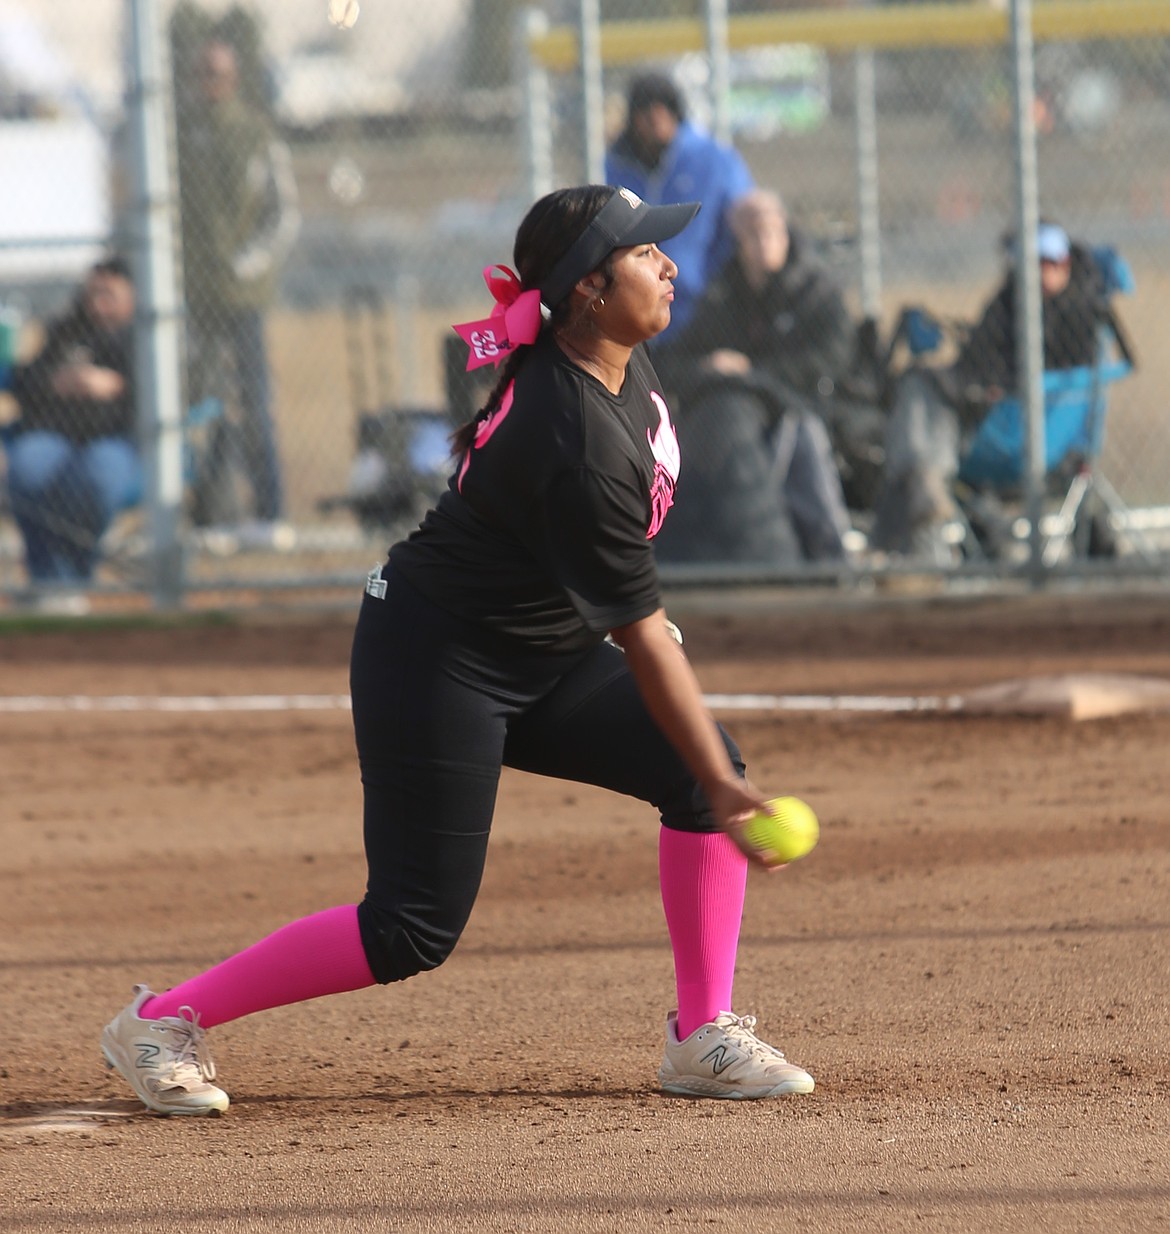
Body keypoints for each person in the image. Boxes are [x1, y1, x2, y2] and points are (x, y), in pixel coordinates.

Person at [99, 184, 816, 1116]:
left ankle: (702, 1034)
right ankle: (160, 1020)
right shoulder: (575, 432)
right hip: (439, 658)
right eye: (645, 253)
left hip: (544, 651)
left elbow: (611, 578)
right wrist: (719, 781)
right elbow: (637, 628)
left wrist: (700, 753)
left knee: (698, 766)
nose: (669, 263)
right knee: (410, 927)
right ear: (590, 290)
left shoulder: (615, 364)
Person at [869, 220, 1108, 562]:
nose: (1044, 273)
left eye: (1053, 263)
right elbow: (976, 359)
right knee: (919, 383)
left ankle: (908, 519)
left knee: (922, 401)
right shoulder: (1007, 303)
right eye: (1035, 264)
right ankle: (923, 493)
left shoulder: (1079, 312)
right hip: (989, 417)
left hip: (1029, 432)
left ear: (1067, 265)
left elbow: (1064, 369)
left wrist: (1000, 386)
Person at [653, 189, 861, 564]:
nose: (763, 241)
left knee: (801, 431)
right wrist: (708, 366)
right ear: (738, 240)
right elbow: (675, 360)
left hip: (807, 406)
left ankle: (833, 555)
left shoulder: (815, 291)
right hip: (740, 417)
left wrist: (753, 374)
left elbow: (832, 359)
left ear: (785, 231)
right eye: (752, 233)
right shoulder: (724, 294)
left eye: (770, 230)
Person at [177, 35, 299, 548]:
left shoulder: (255, 135)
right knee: (204, 405)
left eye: (220, 74)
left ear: (236, 79)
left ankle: (269, 513)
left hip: (242, 297)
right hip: (194, 297)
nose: (212, 84)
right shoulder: (180, 136)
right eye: (204, 72)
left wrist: (247, 263)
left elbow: (282, 213)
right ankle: (212, 515)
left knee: (252, 400)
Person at [4, 257, 141, 610]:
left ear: (133, 297)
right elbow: (26, 380)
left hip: (118, 440)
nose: (97, 303)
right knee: (27, 468)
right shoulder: (66, 330)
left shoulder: (147, 336)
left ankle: (71, 579)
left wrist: (116, 385)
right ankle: (45, 581)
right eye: (92, 292)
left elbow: (181, 391)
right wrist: (56, 380)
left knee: (97, 478)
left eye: (108, 294)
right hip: (55, 435)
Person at [605, 73, 754, 335]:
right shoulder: (619, 165)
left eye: (663, 108)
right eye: (645, 110)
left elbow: (741, 218)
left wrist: (715, 278)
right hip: (641, 298)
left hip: (706, 299)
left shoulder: (711, 159)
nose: (655, 118)